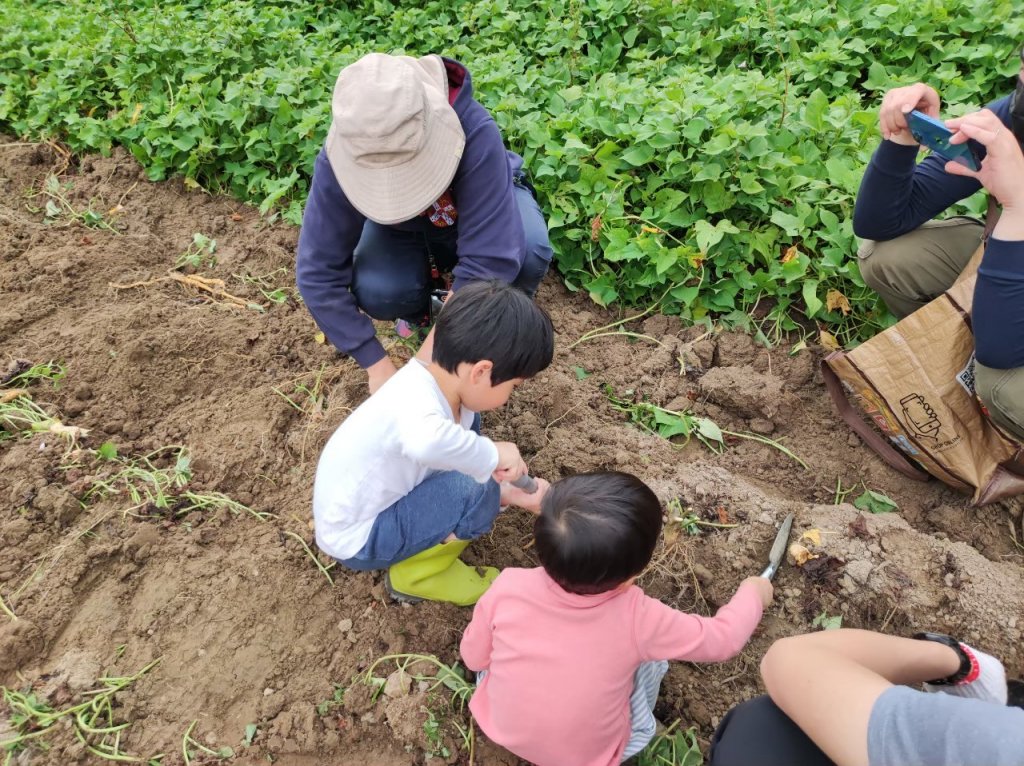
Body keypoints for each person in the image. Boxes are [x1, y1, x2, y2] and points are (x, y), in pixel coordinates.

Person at [460, 471, 774, 766]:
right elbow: (723, 639)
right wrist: (753, 593)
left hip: (499, 726)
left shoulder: (508, 585)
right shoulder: (640, 618)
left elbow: (473, 659)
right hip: (586, 757)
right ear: (631, 577)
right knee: (651, 661)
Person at [296, 52, 553, 394]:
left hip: (481, 206)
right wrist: (376, 365)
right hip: (405, 229)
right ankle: (419, 310)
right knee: (381, 289)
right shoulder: (346, 149)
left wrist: (430, 364)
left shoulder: (473, 130)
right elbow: (317, 272)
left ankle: (501, 315)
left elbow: (490, 256)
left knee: (528, 250)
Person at [312, 280, 554, 606]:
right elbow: (427, 444)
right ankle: (418, 574)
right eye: (513, 385)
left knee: (472, 435)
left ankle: (493, 495)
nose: (510, 395)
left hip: (380, 501)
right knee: (472, 487)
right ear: (481, 372)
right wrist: (491, 453)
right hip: (359, 538)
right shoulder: (416, 407)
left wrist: (507, 489)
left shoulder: (442, 387)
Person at [853, 52, 1024, 442]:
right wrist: (903, 140)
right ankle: (961, 391)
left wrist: (1018, 208)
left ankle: (1003, 422)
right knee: (891, 259)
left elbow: (999, 352)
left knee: (1003, 384)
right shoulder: (1016, 115)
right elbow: (881, 222)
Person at [708, 628, 1021, 766]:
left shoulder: (1001, 745)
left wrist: (958, 662)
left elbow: (789, 660)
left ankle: (962, 662)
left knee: (761, 727)